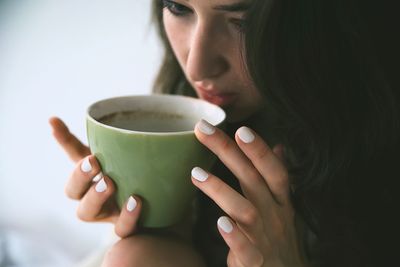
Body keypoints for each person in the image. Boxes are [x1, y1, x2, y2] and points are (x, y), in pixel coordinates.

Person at [49, 0, 399, 266]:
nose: (197, 66)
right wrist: (157, 230)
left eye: (242, 22)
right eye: (177, 7)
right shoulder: (185, 113)